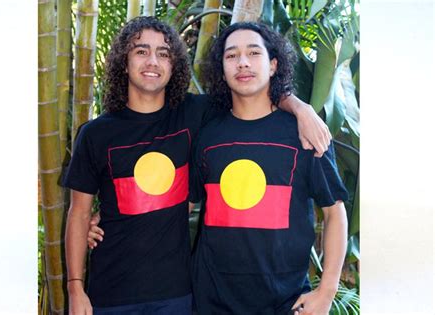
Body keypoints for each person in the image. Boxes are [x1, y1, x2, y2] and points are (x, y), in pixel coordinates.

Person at [65, 16, 332, 315]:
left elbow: (253, 89)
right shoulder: (96, 133)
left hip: (179, 293)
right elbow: (78, 212)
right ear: (123, 63)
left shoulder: (198, 113)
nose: (152, 61)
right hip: (110, 292)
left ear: (174, 64)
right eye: (141, 51)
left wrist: (300, 107)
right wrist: (76, 287)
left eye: (163, 53)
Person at [187, 22, 349, 315]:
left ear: (273, 65)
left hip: (284, 303)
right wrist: (106, 219)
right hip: (210, 301)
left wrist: (326, 292)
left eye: (253, 52)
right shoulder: (208, 135)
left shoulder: (305, 134)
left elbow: (335, 212)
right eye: (231, 55)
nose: (243, 62)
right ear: (222, 69)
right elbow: (182, 205)